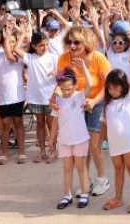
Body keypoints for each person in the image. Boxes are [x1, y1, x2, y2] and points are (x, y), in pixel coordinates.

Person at [56, 26, 112, 196]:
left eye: (76, 43)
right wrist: (56, 99)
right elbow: (60, 84)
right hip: (74, 105)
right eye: (69, 42)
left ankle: (102, 179)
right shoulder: (64, 59)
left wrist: (94, 101)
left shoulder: (98, 58)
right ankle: (85, 180)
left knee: (94, 145)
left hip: (96, 102)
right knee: (82, 146)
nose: (72, 46)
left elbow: (109, 85)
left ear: (86, 43)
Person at [100, 53, 130, 214]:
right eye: (110, 87)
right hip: (114, 143)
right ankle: (118, 198)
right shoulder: (107, 104)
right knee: (118, 169)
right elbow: (104, 125)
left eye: (116, 87)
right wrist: (99, 143)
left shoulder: (129, 99)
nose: (112, 90)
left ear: (123, 87)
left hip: (129, 142)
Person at [48, 65, 92, 210]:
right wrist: (51, 140)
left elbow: (90, 83)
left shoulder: (79, 96)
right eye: (63, 89)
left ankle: (84, 193)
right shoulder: (58, 101)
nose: (67, 92)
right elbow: (55, 122)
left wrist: (83, 66)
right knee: (67, 168)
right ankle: (67, 195)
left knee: (81, 167)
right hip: (64, 141)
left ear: (75, 86)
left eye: (69, 89)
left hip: (80, 139)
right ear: (59, 87)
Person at [14, 31, 58, 164]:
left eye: (46, 45)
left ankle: (53, 151)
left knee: (51, 124)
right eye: (40, 45)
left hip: (50, 97)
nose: (44, 48)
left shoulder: (53, 57)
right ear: (34, 45)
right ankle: (42, 152)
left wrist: (56, 72)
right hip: (35, 98)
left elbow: (61, 72)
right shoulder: (29, 57)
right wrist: (22, 34)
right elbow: (16, 49)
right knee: (40, 124)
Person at [0, 26, 26, 165]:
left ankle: (21, 152)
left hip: (17, 96)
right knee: (5, 124)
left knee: (18, 122)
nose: (11, 43)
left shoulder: (18, 56)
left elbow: (9, 56)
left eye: (13, 41)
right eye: (8, 41)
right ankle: (5, 153)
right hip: (2, 97)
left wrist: (10, 35)